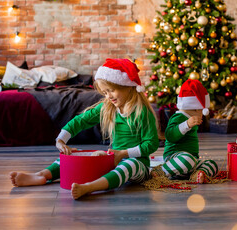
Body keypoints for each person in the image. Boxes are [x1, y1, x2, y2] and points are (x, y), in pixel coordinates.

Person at [10, 58, 159, 199]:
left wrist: (123, 154)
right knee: (76, 155)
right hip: (113, 158)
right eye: (105, 93)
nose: (108, 97)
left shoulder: (142, 112)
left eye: (111, 91)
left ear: (127, 87)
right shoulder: (108, 107)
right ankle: (42, 175)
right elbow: (81, 121)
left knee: (129, 165)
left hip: (138, 164)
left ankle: (90, 187)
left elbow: (151, 144)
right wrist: (61, 139)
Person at [151, 79, 218, 183]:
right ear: (196, 108)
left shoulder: (192, 119)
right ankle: (161, 171)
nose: (203, 115)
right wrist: (186, 125)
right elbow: (170, 135)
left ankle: (199, 174)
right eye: (202, 110)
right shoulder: (178, 117)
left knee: (212, 163)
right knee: (187, 159)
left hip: (191, 161)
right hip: (175, 158)